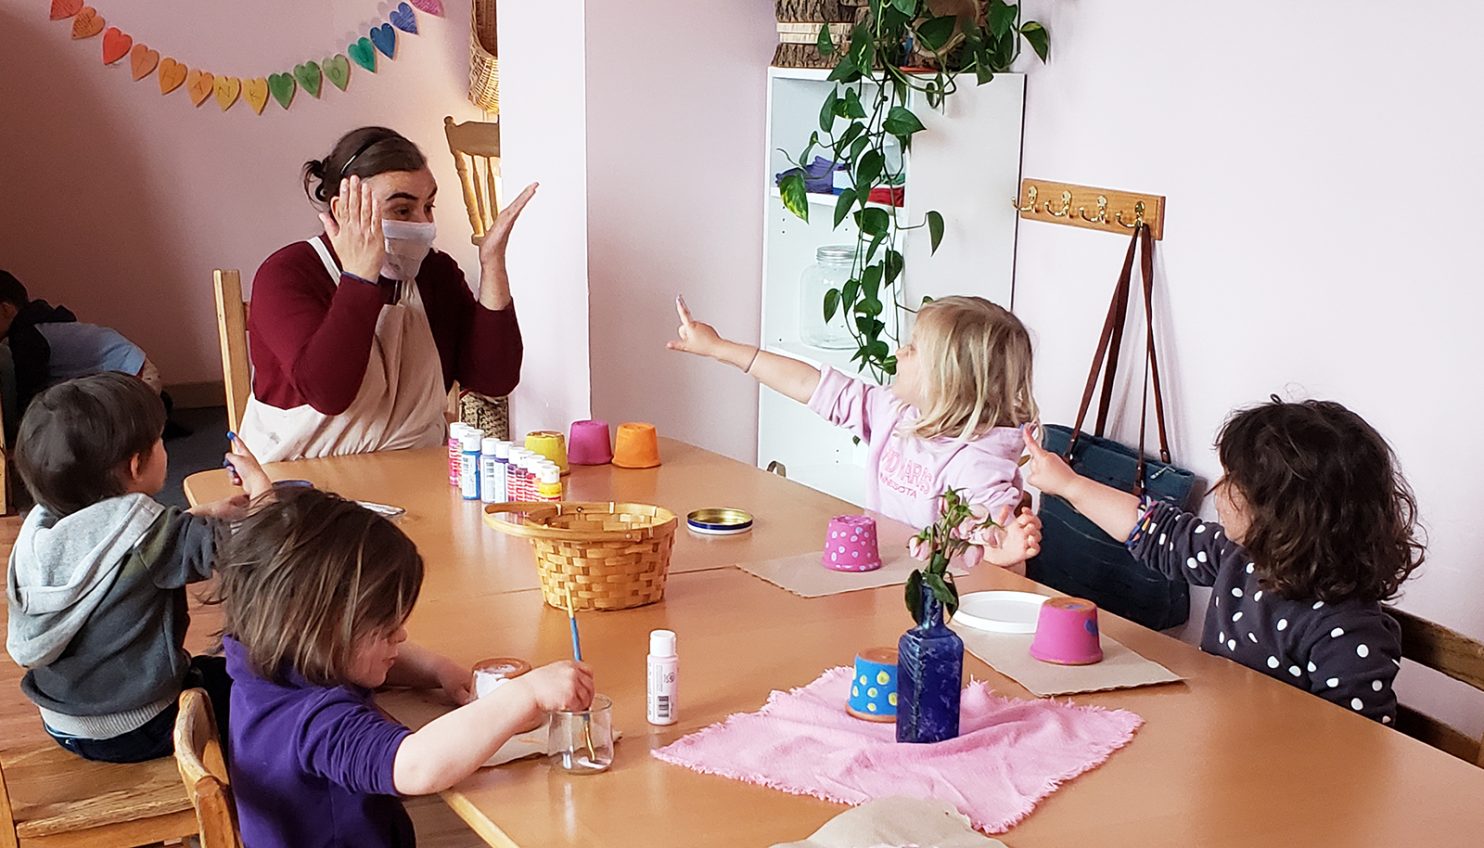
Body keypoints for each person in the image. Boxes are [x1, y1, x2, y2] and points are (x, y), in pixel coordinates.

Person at [214, 488, 594, 847]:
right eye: (384, 628)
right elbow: (416, 765)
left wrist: (437, 670)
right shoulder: (318, 723)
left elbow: (359, 659)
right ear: (316, 628)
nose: (401, 636)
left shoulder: (261, 663)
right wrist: (524, 695)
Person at [1021, 398, 1425, 723]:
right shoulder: (1241, 557)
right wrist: (1068, 484)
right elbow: (1154, 530)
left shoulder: (1347, 632)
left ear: (1285, 514)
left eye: (1234, 480)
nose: (1219, 489)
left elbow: (1357, 752)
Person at [6, 373, 269, 762]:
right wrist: (263, 489)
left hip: (66, 719)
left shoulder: (44, 529)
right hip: (139, 724)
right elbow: (250, 545)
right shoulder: (154, 538)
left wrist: (200, 514)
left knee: (219, 674)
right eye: (159, 440)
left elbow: (116, 546)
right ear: (135, 465)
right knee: (262, 692)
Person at [669, 294, 1041, 562]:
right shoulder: (893, 412)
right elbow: (808, 384)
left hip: (934, 613)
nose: (898, 353)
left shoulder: (977, 462)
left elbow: (998, 550)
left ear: (948, 379)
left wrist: (1007, 550)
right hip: (881, 578)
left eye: (912, 349)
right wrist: (720, 349)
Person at [240, 126, 533, 461]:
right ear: (342, 209)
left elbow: (494, 380)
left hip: (416, 472)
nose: (423, 224)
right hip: (305, 482)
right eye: (402, 210)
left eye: (428, 206)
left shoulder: (436, 273)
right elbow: (329, 393)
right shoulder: (287, 273)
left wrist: (492, 264)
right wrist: (359, 277)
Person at [0, 270, 167, 439]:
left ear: (5, 310)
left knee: (103, 441)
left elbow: (31, 393)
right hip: (134, 369)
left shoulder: (26, 338)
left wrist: (21, 438)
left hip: (134, 377)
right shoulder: (40, 322)